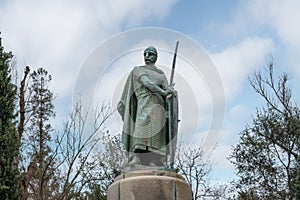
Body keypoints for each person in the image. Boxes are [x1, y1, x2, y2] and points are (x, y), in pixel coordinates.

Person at [117, 46, 174, 167]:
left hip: (158, 106)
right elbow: (147, 83)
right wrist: (164, 92)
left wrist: (170, 92)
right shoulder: (138, 70)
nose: (147, 56)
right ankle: (136, 157)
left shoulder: (160, 74)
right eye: (145, 54)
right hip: (143, 103)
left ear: (156, 57)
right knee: (140, 130)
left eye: (151, 54)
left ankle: (154, 160)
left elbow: (167, 91)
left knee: (156, 134)